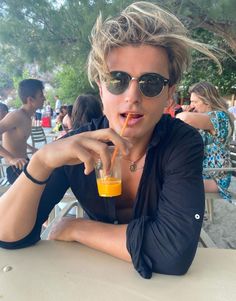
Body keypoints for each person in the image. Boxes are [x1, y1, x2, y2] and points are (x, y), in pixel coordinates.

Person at [0, 2, 221, 278]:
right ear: (101, 88)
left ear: (169, 94)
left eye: (150, 83)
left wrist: (77, 227)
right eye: (117, 80)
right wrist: (42, 162)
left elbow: (173, 253)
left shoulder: (181, 142)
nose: (132, 96)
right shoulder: (76, 145)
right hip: (91, 279)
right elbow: (8, 236)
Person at [176, 81, 234, 201]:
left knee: (174, 184)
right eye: (191, 102)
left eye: (194, 102)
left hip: (216, 177)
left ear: (207, 101)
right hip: (202, 172)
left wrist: (185, 111)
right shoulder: (206, 119)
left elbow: (184, 118)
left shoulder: (220, 117)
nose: (191, 105)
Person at [0, 79, 46, 184]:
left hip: (24, 163)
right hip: (15, 168)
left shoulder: (27, 116)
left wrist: (32, 148)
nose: (44, 98)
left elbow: (18, 139)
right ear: (30, 100)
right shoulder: (16, 116)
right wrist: (11, 159)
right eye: (41, 95)